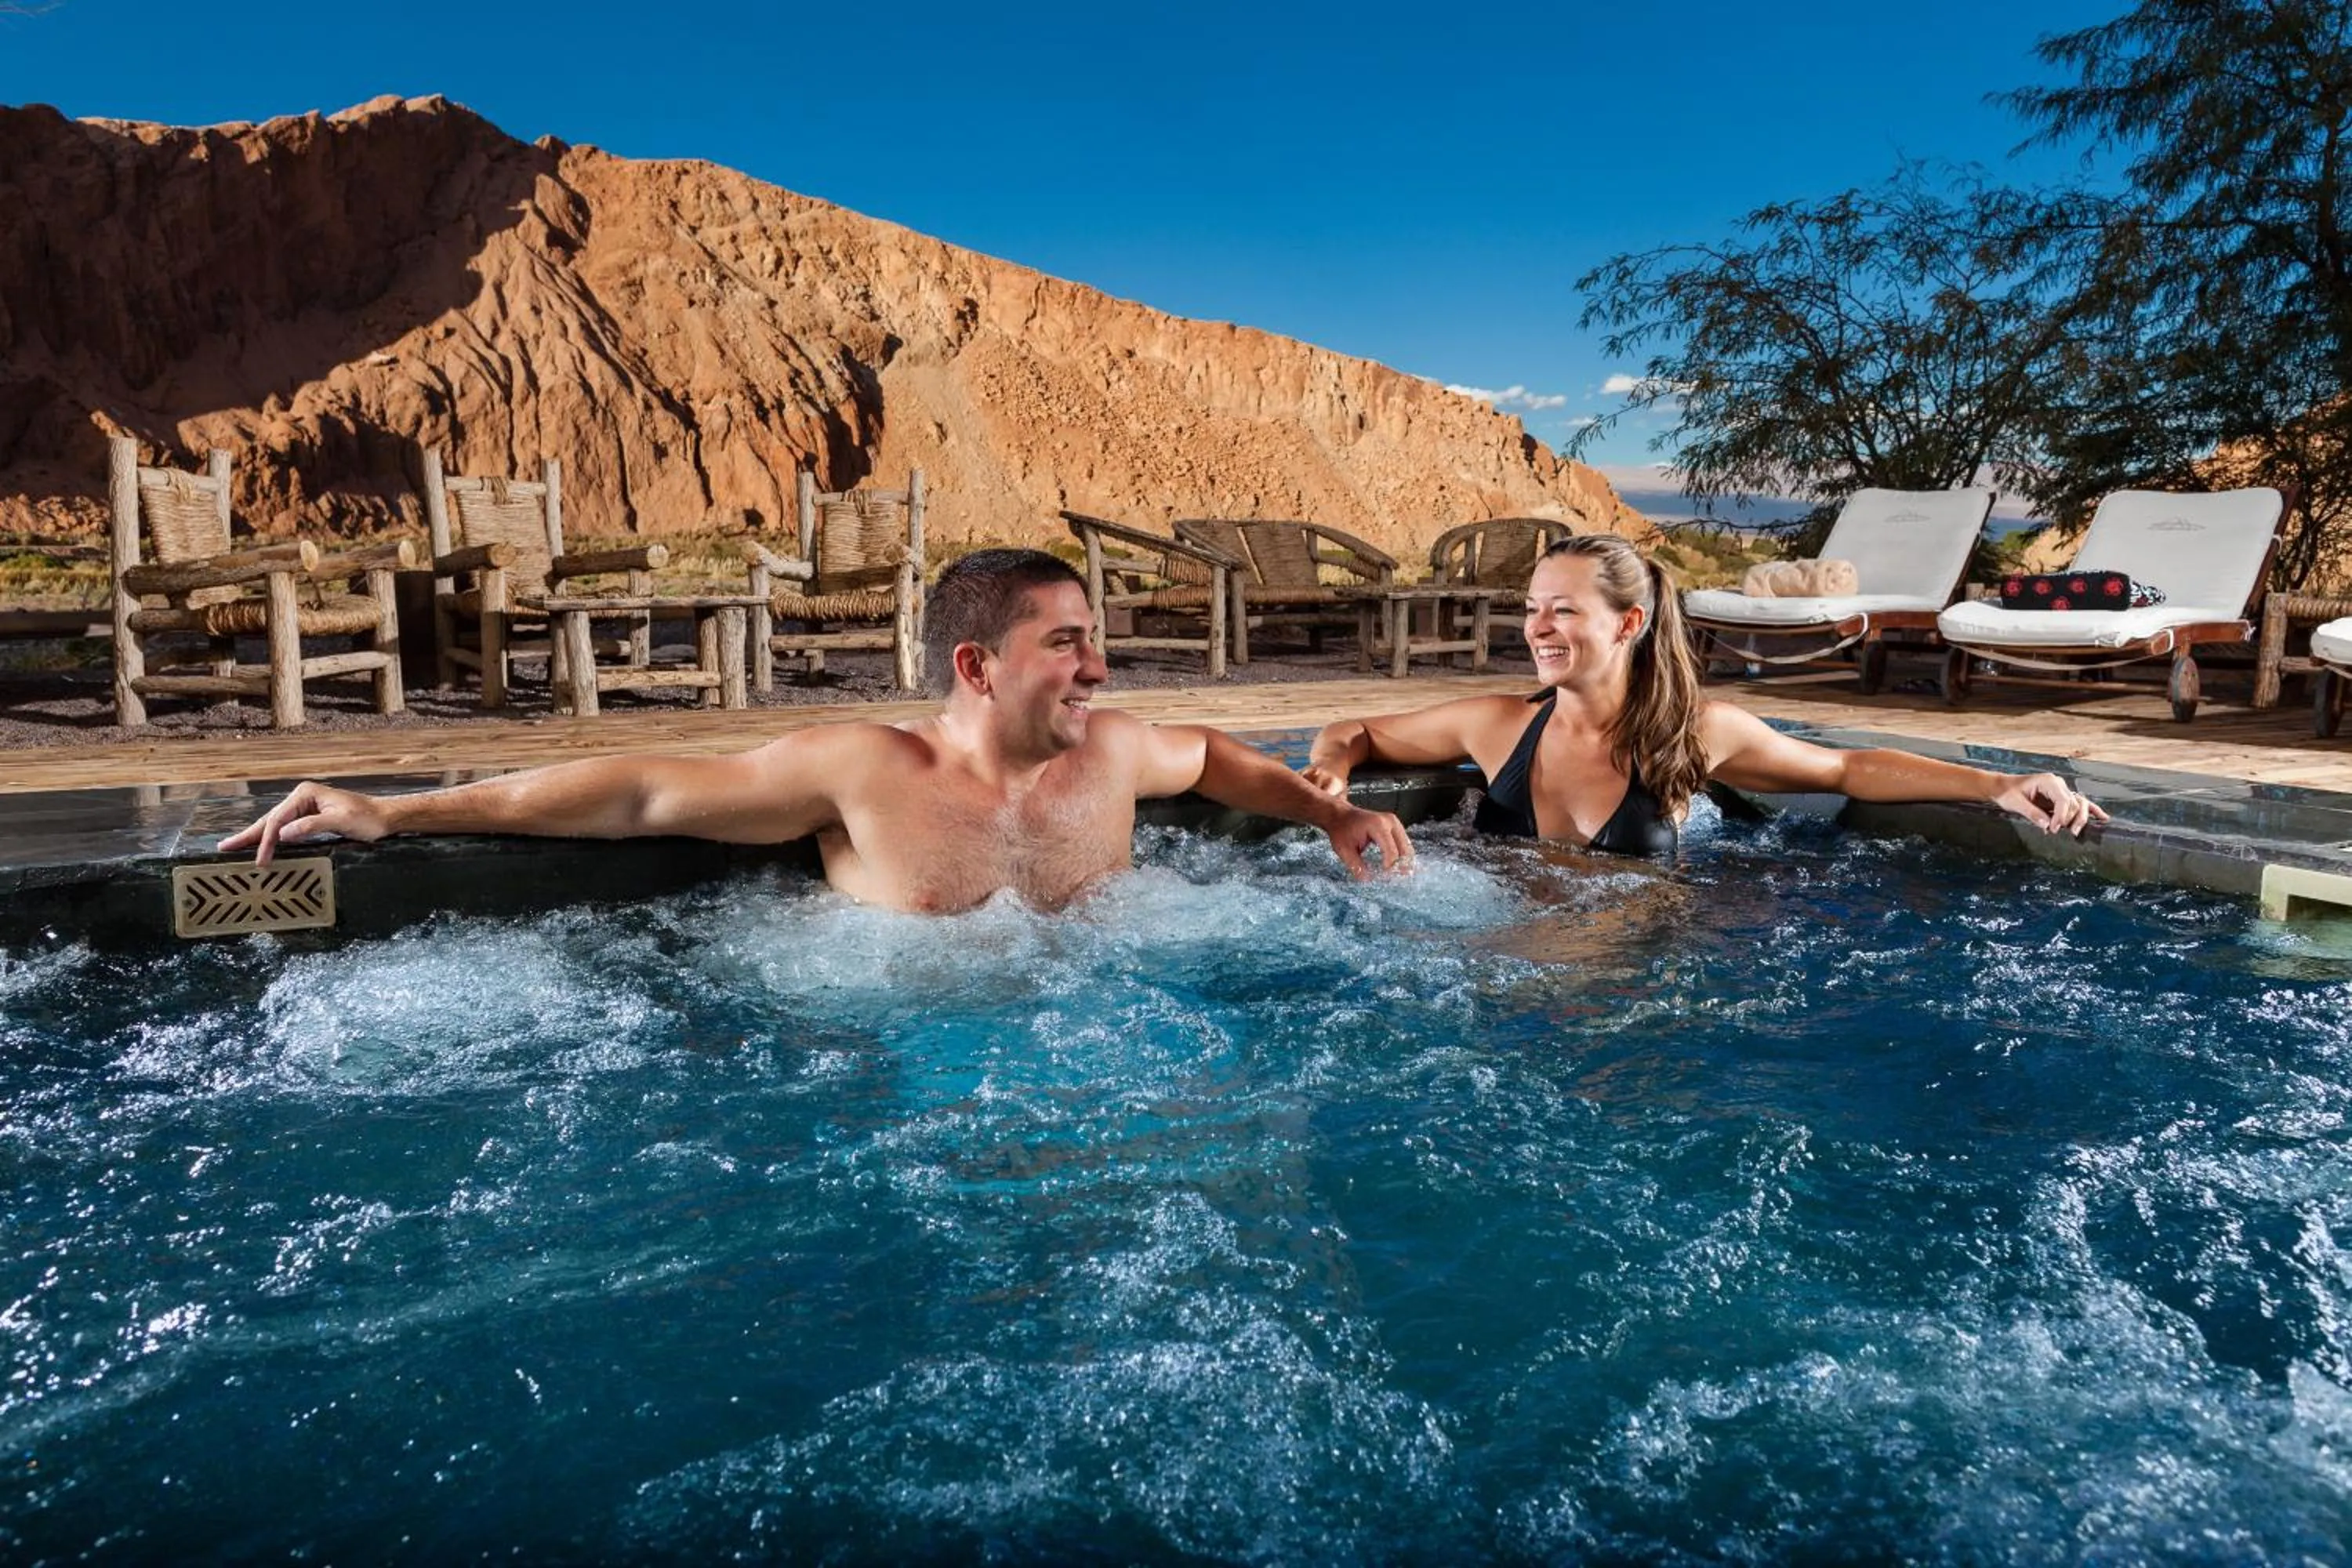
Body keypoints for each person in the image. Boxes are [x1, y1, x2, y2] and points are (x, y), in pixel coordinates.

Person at [223, 549, 1414, 913]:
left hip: (1114, 1066)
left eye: (1092, 642)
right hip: (940, 1110)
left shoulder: (1113, 753)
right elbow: (640, 793)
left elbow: (1214, 757)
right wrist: (401, 811)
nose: (1098, 668)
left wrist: (1331, 812)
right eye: (1067, 644)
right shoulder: (865, 769)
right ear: (977, 667)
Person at [1303, 532, 2107, 850]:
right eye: (1533, 607)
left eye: (1564, 610)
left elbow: (1846, 769)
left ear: (1628, 623)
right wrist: (1331, 779)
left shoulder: (1695, 733)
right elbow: (1352, 730)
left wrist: (1997, 784)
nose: (1538, 628)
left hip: (1640, 999)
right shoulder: (1496, 725)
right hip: (1503, 990)